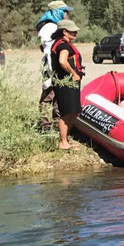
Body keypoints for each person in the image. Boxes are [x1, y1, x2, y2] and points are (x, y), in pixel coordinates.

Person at [36, 0, 74, 132]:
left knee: (59, 95)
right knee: (48, 95)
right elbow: (48, 50)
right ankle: (45, 126)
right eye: (65, 12)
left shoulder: (54, 27)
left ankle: (58, 124)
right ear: (58, 12)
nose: (66, 15)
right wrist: (51, 73)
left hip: (56, 64)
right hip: (51, 66)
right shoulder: (49, 28)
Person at [49, 18, 83, 150]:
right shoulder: (63, 45)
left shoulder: (60, 43)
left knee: (73, 111)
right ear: (64, 32)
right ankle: (63, 142)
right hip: (66, 83)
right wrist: (74, 74)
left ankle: (66, 141)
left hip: (69, 83)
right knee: (67, 112)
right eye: (72, 31)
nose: (75, 33)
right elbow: (62, 61)